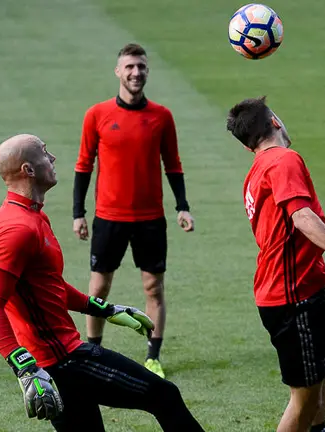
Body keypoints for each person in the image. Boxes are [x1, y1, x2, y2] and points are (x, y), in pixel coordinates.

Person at [0, 134, 205, 431]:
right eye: (45, 153)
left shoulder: (31, 217)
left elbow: (49, 286)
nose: (53, 158)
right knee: (165, 396)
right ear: (28, 170)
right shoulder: (16, 230)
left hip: (54, 362)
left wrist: (106, 310)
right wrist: (26, 368)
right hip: (62, 361)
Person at [226, 96, 325, 432]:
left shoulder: (257, 170)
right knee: (304, 399)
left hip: (297, 289)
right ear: (274, 122)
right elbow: (301, 218)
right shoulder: (283, 161)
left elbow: (282, 242)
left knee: (319, 386)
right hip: (291, 299)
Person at [73, 43, 194, 378]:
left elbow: (173, 165)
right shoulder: (96, 115)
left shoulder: (162, 116)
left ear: (147, 71)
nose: (136, 73)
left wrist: (182, 206)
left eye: (141, 67)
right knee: (98, 289)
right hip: (108, 218)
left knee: (153, 288)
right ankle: (93, 351)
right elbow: (83, 166)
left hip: (151, 220)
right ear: (118, 72)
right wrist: (78, 213)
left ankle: (152, 357)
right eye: (129, 67)